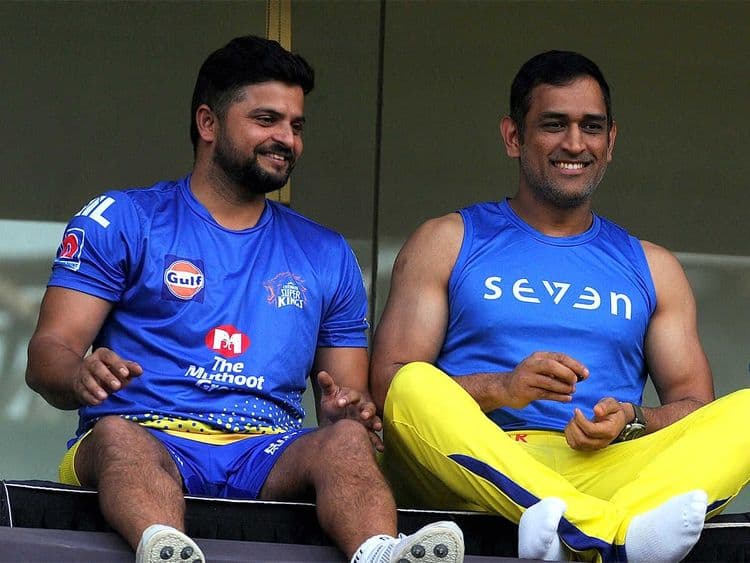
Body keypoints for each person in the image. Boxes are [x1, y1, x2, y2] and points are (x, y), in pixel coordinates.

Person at [25, 35, 464, 563]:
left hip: (266, 448)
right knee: (118, 435)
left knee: (346, 444)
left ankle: (379, 554)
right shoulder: (123, 219)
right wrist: (79, 374)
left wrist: (345, 411)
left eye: (296, 126)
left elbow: (349, 399)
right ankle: (163, 550)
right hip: (147, 431)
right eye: (266, 120)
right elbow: (47, 353)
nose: (287, 139)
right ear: (208, 123)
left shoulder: (327, 253)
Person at [370, 50, 750, 563]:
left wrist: (634, 418)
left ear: (610, 141)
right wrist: (503, 387)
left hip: (605, 467)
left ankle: (574, 527)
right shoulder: (448, 240)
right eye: (554, 125)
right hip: (478, 463)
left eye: (591, 127)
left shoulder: (653, 266)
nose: (575, 143)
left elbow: (694, 407)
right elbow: (388, 386)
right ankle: (613, 537)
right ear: (513, 137)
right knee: (414, 385)